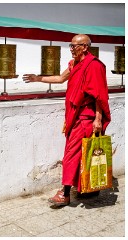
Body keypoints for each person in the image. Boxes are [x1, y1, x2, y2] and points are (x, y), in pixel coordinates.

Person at [22, 34, 111, 206]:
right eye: (70, 46)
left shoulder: (94, 65)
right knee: (82, 154)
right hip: (74, 115)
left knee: (71, 154)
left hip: (87, 117)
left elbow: (99, 95)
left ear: (85, 47)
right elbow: (61, 79)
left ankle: (66, 193)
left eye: (74, 46)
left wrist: (98, 118)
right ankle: (87, 188)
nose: (71, 49)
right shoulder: (74, 64)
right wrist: (37, 78)